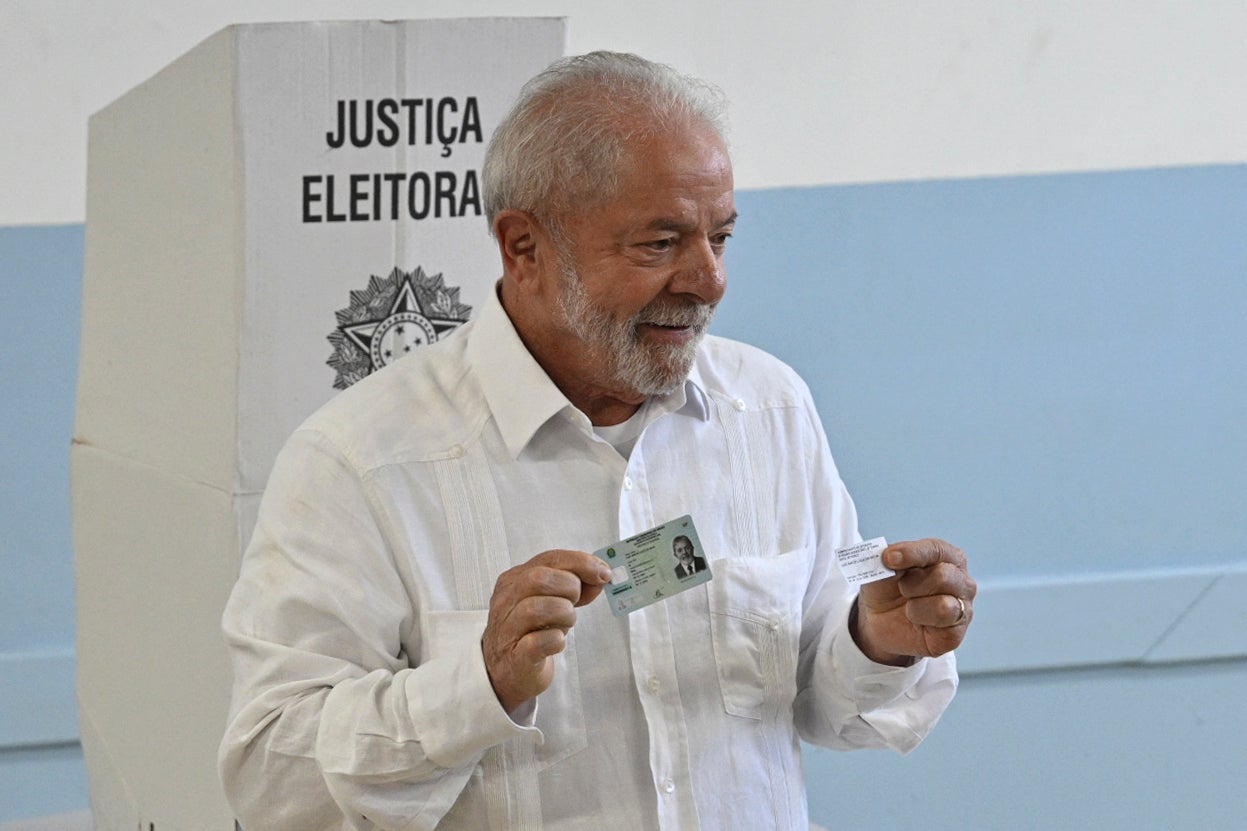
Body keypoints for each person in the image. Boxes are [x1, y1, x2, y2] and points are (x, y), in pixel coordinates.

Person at [219, 51, 976, 831]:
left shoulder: (768, 407)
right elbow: (272, 775)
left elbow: (825, 703)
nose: (708, 279)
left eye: (721, 236)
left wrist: (876, 640)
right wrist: (477, 686)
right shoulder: (360, 462)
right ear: (523, 247)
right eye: (659, 244)